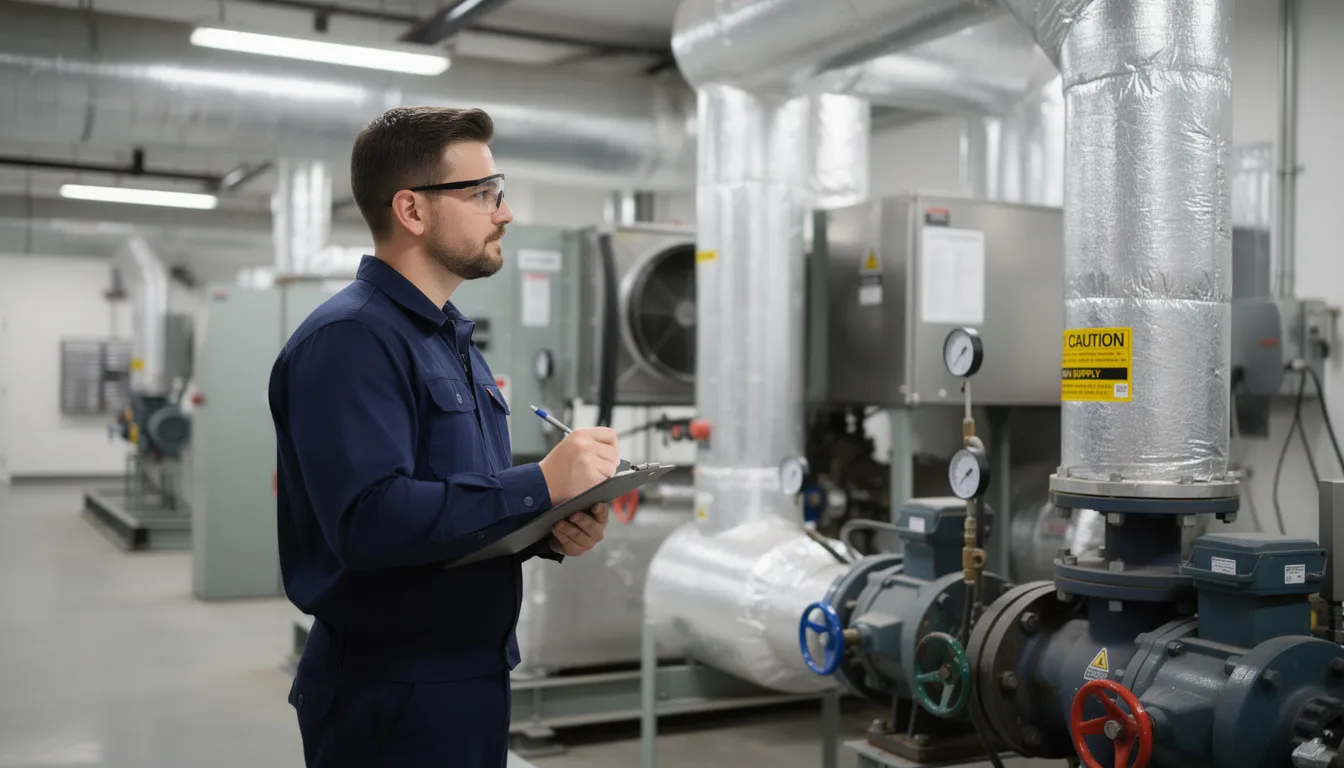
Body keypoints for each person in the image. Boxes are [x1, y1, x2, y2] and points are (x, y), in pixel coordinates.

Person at [268, 106, 620, 768]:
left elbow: (452, 499)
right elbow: (369, 521)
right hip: (391, 694)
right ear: (412, 210)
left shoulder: (449, 339)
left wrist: (547, 523)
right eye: (483, 194)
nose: (504, 213)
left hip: (468, 675)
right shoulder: (350, 340)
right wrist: (541, 482)